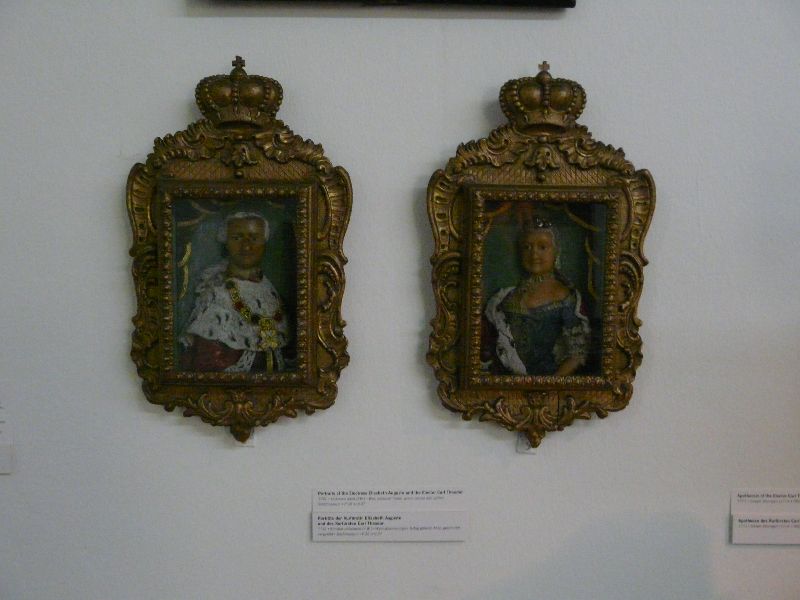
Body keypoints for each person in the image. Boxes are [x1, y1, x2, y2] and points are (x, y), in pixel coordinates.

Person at [180, 212, 290, 373]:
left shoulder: (269, 290)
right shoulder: (216, 295)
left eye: (254, 238)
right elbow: (206, 363)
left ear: (264, 243)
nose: (246, 246)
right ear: (226, 242)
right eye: (237, 238)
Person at [482, 217, 589, 376]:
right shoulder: (505, 296)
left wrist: (547, 384)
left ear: (556, 252)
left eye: (542, 247)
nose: (534, 254)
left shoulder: (567, 298)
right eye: (527, 247)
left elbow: (577, 355)